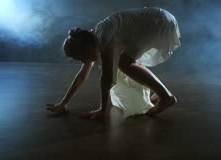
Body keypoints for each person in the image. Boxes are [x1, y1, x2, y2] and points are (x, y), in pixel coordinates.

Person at [46, 7, 181, 119]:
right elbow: (81, 76)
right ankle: (162, 92)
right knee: (126, 63)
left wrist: (102, 110)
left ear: (86, 48)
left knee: (124, 64)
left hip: (158, 22)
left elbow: (107, 78)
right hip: (161, 19)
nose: (83, 61)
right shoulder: (95, 39)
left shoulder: (103, 38)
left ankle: (165, 96)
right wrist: (63, 103)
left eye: (81, 57)